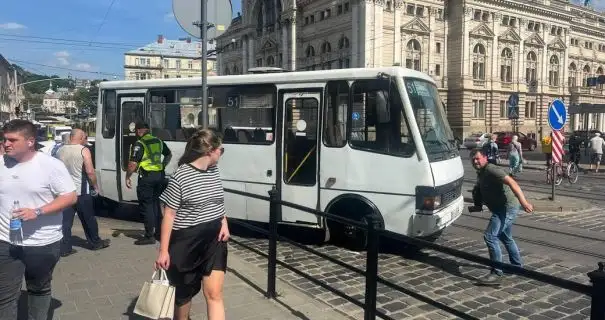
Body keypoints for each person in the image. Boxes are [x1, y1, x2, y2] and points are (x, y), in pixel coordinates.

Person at [0, 119, 77, 319]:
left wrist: (38, 212)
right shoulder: (1, 164)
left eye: (12, 140)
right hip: (6, 241)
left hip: (43, 242)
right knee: (5, 296)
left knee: (38, 289)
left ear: (30, 141)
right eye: (4, 139)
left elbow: (69, 196)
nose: (6, 144)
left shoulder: (50, 165)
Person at [155, 129, 229, 320]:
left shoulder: (214, 171)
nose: (222, 153)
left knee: (214, 294)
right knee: (183, 297)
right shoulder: (181, 176)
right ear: (210, 151)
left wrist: (224, 222)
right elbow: (169, 214)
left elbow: (218, 202)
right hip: (186, 242)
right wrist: (163, 251)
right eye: (221, 149)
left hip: (214, 241)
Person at [471, 149, 533, 285]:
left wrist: (524, 202)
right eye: (473, 159)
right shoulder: (481, 173)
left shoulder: (492, 170)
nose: (475, 161)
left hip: (507, 208)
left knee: (490, 236)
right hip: (499, 208)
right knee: (506, 237)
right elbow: (481, 190)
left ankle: (497, 272)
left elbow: (513, 183)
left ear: (485, 158)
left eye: (477, 158)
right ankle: (517, 267)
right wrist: (477, 205)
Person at [57, 128, 110, 257]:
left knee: (65, 221)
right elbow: (90, 172)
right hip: (81, 191)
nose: (86, 140)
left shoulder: (60, 150)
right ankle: (95, 243)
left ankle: (64, 248)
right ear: (81, 138)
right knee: (88, 218)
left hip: (65, 192)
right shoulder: (83, 150)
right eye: (85, 138)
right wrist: (95, 186)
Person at [126, 121, 172, 245]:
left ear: (139, 131)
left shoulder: (139, 143)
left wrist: (128, 177)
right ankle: (159, 233)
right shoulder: (158, 141)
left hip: (147, 178)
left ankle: (149, 236)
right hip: (160, 176)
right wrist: (162, 166)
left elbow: (133, 164)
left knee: (147, 206)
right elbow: (168, 155)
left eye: (136, 130)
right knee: (156, 204)